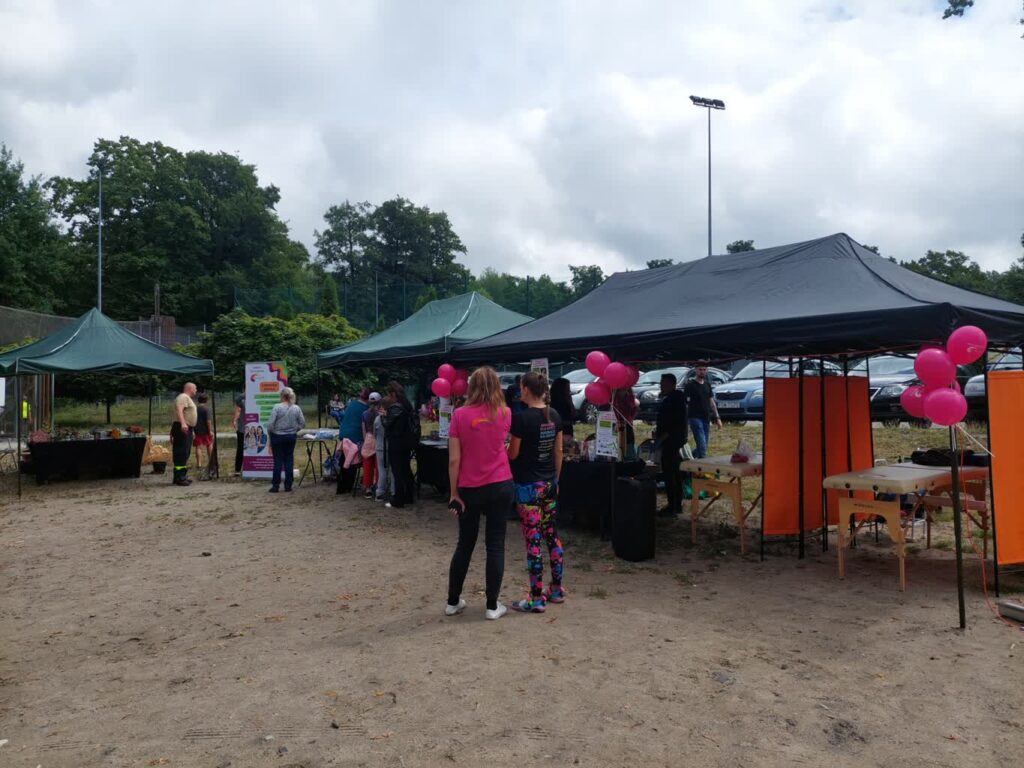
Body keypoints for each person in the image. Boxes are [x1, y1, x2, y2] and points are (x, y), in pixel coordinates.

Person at [446, 367, 513, 621]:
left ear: (471, 386)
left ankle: (453, 601)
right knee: (495, 544)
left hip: (469, 487)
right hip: (499, 483)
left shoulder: (459, 415)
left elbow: (454, 459)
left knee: (465, 543)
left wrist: (454, 492)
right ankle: (492, 605)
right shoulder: (505, 413)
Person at [507, 372, 565, 613]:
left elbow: (513, 454)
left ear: (526, 390)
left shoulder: (521, 419)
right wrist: (556, 479)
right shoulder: (555, 415)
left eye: (521, 388)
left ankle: (536, 597)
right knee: (551, 535)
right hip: (549, 484)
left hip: (528, 487)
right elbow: (559, 451)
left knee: (533, 540)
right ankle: (556, 589)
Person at [653, 373, 688, 516]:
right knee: (675, 473)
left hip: (671, 441)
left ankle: (673, 505)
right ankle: (676, 504)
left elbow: (673, 425)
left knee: (671, 474)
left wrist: (660, 439)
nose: (661, 386)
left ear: (672, 384)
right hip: (671, 440)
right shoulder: (671, 399)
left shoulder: (675, 401)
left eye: (664, 383)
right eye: (661, 383)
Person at [383, 381, 417, 508]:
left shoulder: (395, 407)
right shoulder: (407, 405)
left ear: (393, 394)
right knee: (406, 469)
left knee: (397, 471)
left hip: (396, 442)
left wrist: (383, 416)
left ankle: (398, 499)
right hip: (406, 442)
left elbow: (387, 424)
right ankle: (409, 496)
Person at [266, 386, 305, 492]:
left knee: (278, 461)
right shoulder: (296, 408)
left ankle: (275, 486)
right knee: (289, 460)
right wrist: (295, 430)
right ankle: (288, 485)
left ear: (282, 396)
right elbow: (302, 423)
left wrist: (272, 433)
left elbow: (270, 425)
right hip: (291, 437)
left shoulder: (277, 407)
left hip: (277, 437)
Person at [684, 364, 722, 460]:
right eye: (700, 369)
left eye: (704, 370)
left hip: (706, 417)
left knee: (703, 445)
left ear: (707, 371)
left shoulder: (707, 384)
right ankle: (703, 465)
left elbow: (711, 401)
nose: (702, 371)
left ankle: (687, 458)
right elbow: (686, 403)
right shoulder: (690, 385)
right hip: (694, 418)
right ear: (696, 370)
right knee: (702, 446)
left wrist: (717, 417)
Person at [336, 389, 369, 493]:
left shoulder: (352, 404)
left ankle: (342, 486)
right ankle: (350, 485)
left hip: (344, 436)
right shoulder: (366, 409)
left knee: (344, 461)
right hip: (355, 438)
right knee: (353, 462)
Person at [171, 382, 198, 486]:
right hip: (182, 428)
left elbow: (187, 414)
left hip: (187, 428)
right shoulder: (183, 397)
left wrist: (192, 430)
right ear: (190, 388)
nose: (196, 390)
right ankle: (180, 478)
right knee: (181, 452)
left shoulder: (187, 398)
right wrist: (183, 423)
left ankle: (181, 476)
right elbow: (179, 410)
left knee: (185, 452)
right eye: (195, 388)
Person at [360, 392, 382, 498]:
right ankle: (378, 487)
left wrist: (366, 440)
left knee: (367, 465)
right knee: (379, 466)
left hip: (368, 439)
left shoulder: (364, 414)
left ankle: (368, 488)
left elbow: (363, 429)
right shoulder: (381, 414)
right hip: (378, 440)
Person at [374, 397, 395, 502]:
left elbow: (375, 433)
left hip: (380, 447)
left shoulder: (378, 419)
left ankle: (380, 492)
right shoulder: (393, 418)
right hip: (391, 447)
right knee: (393, 470)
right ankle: (393, 492)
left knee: (382, 470)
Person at [612, 384, 638, 459]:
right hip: (616, 425)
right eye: (620, 389)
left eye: (624, 389)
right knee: (616, 445)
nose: (622, 391)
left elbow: (634, 410)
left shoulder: (630, 397)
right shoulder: (613, 398)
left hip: (627, 425)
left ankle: (630, 458)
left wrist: (629, 419)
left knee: (628, 444)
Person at [550, 377, 575, 454]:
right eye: (567, 388)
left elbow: (574, 414)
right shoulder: (554, 402)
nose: (569, 390)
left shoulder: (567, 399)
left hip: (568, 429)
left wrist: (570, 402)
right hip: (561, 430)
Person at [193, 393, 213, 479]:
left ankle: (199, 464)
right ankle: (211, 462)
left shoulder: (194, 408)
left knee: (198, 447)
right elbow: (208, 421)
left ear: (198, 400)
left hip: (196, 430)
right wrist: (210, 430)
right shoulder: (206, 409)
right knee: (209, 445)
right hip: (205, 431)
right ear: (206, 401)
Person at [231, 394, 246, 475]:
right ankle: (237, 469)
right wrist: (245, 393)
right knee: (240, 449)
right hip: (242, 430)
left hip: (253, 430)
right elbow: (237, 400)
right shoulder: (243, 401)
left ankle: (250, 469)